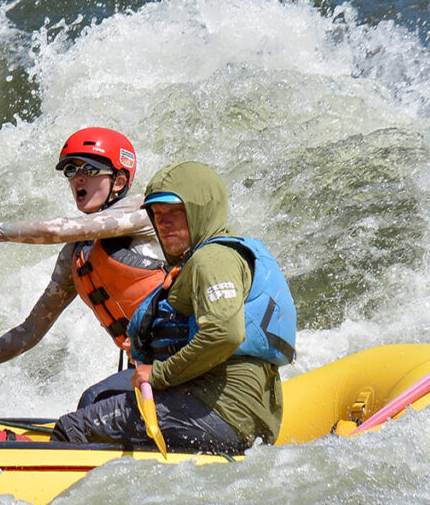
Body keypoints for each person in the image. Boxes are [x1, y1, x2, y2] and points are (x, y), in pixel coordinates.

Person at [52, 160, 297, 453]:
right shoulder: (198, 260)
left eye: (175, 213)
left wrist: (159, 374)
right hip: (222, 407)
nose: (163, 224)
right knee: (96, 398)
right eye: (157, 214)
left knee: (74, 428)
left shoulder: (213, 260)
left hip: (220, 410)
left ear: (200, 211)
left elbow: (225, 334)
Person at [0, 127, 167, 407]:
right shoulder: (77, 254)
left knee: (92, 403)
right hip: (144, 366)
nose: (78, 177)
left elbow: (62, 229)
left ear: (118, 181)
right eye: (70, 170)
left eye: (90, 169)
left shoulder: (141, 215)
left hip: (182, 356)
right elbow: (31, 330)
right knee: (97, 403)